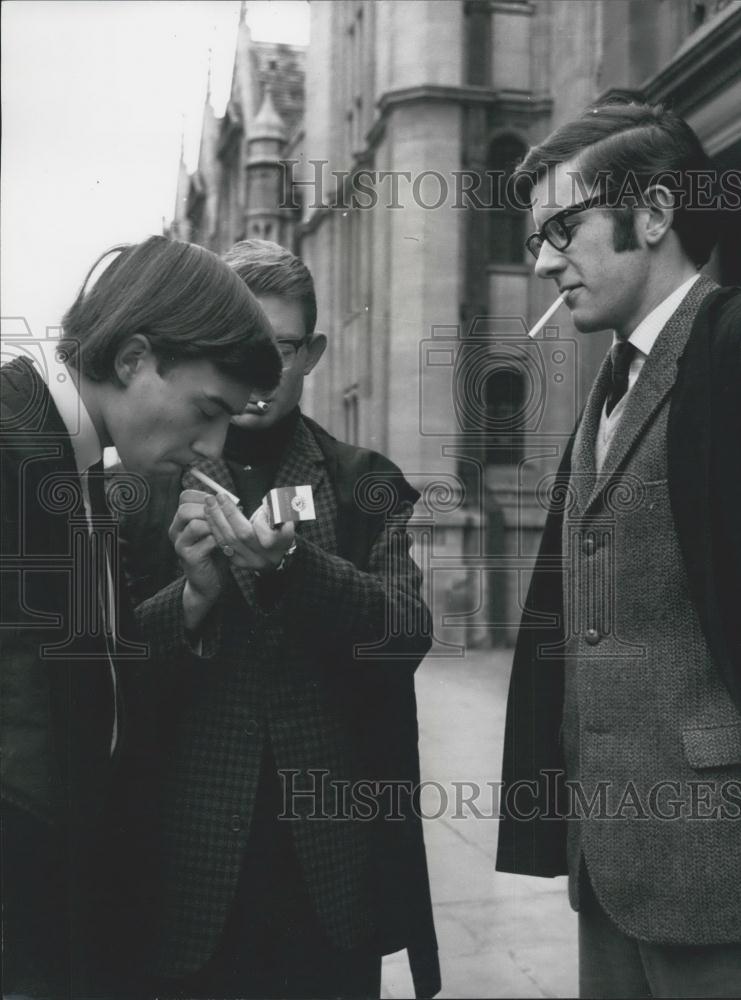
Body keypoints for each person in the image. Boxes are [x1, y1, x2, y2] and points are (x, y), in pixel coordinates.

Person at [119, 239, 441, 1000]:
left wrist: (296, 569)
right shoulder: (145, 483)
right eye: (240, 349)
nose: (261, 373)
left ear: (314, 352)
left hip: (327, 875)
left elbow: (404, 635)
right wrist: (191, 600)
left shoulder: (364, 483)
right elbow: (110, 666)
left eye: (283, 348)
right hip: (185, 866)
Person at [495, 102, 741, 998]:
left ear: (654, 213)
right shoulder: (610, 383)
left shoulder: (729, 349)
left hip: (720, 871)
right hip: (607, 866)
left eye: (564, 227)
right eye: (533, 239)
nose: (542, 260)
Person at [0, 235, 281, 998]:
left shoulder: (70, 457)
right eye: (206, 410)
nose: (211, 448)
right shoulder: (12, 447)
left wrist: (195, 597)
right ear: (131, 358)